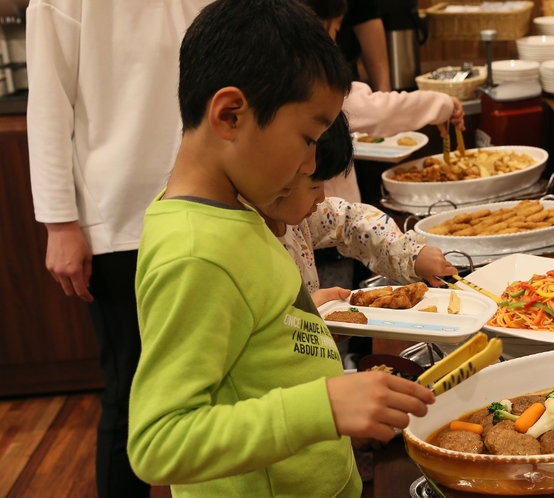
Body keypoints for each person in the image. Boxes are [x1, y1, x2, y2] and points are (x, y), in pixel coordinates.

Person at [127, 2, 434, 497]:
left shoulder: (246, 213)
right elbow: (158, 443)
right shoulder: (194, 254)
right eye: (307, 138)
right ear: (231, 115)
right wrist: (326, 407)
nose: (311, 162)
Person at [26, 1, 211, 496]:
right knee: (131, 393)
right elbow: (47, 103)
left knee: (221, 381)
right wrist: (60, 223)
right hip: (118, 220)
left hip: (213, 201)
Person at [258, 111, 458, 296]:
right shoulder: (245, 243)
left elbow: (352, 221)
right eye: (314, 187)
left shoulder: (299, 221)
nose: (321, 198)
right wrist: (312, 317)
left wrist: (410, 256)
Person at [305, 0, 466, 203]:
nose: (335, 42)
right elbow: (382, 111)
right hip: (331, 216)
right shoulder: (322, 91)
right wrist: (442, 105)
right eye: (336, 30)